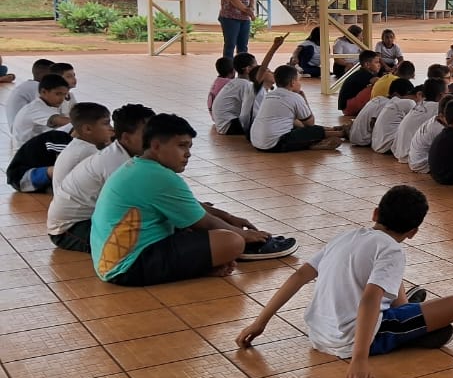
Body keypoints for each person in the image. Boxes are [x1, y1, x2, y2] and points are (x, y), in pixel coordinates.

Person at [236, 185, 453, 378]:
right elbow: (369, 300)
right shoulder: (392, 250)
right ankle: (411, 328)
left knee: (384, 275)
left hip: (319, 335)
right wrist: (359, 359)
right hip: (353, 339)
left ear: (375, 213)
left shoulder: (345, 237)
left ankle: (408, 312)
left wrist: (260, 322)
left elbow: (300, 275)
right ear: (413, 232)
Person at [91, 114, 273, 285]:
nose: (188, 154)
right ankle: (200, 266)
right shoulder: (159, 177)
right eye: (181, 146)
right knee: (232, 242)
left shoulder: (138, 166)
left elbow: (190, 205)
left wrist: (229, 217)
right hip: (129, 267)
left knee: (196, 231)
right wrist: (244, 235)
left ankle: (200, 266)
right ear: (156, 146)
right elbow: (205, 223)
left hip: (111, 263)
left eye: (189, 147)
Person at [47, 104, 152, 252]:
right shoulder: (113, 161)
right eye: (147, 135)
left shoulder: (115, 153)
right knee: (141, 241)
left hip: (89, 214)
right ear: (127, 138)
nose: (154, 141)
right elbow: (133, 204)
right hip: (70, 229)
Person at [250, 66, 345, 152]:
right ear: (292, 82)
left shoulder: (270, 95)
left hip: (256, 141)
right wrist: (304, 99)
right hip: (274, 144)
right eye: (299, 80)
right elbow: (309, 123)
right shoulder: (294, 97)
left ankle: (331, 132)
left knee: (297, 126)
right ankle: (343, 133)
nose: (300, 83)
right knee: (311, 131)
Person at [211, 36, 287, 135]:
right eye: (256, 66)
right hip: (229, 125)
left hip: (223, 123)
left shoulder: (237, 82)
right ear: (248, 69)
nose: (270, 72)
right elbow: (263, 67)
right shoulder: (245, 85)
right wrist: (274, 47)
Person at [393, 79, 445, 163]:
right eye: (448, 93)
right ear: (441, 95)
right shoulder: (437, 108)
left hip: (400, 152)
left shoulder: (420, 105)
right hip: (411, 156)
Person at [14, 74, 72, 145]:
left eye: (64, 94)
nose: (62, 98)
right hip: (27, 152)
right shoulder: (36, 108)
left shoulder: (50, 104)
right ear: (43, 92)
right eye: (58, 94)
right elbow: (61, 121)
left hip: (37, 146)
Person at [6, 129, 70, 193]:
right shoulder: (60, 138)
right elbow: (62, 165)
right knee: (61, 168)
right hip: (20, 175)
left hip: (30, 175)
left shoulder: (59, 136)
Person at [408, 94, 453, 174]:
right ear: (441, 115)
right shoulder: (439, 129)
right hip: (423, 164)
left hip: (415, 161)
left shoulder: (436, 119)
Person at [371, 79, 417, 154]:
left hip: (376, 145)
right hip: (387, 147)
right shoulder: (409, 102)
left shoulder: (391, 101)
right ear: (418, 95)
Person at [5, 58, 54, 126]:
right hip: (26, 132)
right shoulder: (36, 87)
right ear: (44, 74)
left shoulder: (29, 85)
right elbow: (49, 113)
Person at [338, 50, 381, 115]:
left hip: (349, 105)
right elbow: (380, 82)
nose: (379, 65)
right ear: (367, 64)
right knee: (376, 87)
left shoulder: (367, 73)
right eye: (376, 62)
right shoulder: (363, 74)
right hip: (348, 107)